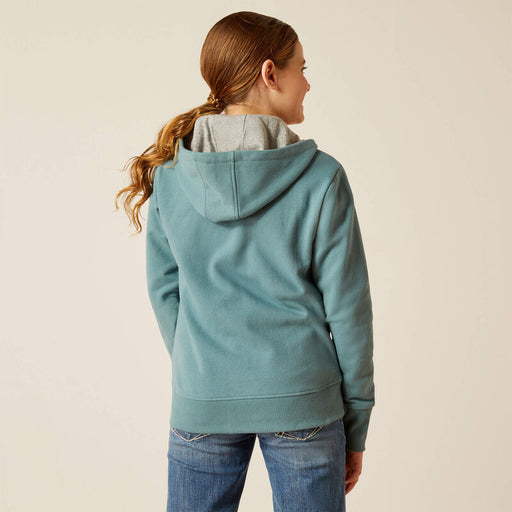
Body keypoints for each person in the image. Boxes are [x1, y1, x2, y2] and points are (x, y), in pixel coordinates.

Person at [115, 11, 375, 512]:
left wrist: (203, 369)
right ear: (269, 73)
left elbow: (164, 290)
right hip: (304, 400)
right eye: (302, 68)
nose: (308, 83)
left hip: (202, 399)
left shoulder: (172, 175)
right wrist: (357, 420)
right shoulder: (321, 178)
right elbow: (349, 312)